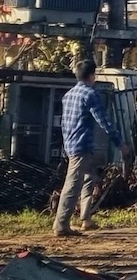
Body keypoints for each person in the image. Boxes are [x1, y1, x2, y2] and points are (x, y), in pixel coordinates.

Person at [54, 60, 129, 236]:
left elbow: (64, 123)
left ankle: (86, 219)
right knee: (73, 184)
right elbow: (104, 121)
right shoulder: (90, 94)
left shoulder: (69, 95)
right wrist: (120, 143)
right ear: (92, 75)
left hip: (72, 144)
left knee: (89, 177)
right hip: (82, 145)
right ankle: (61, 224)